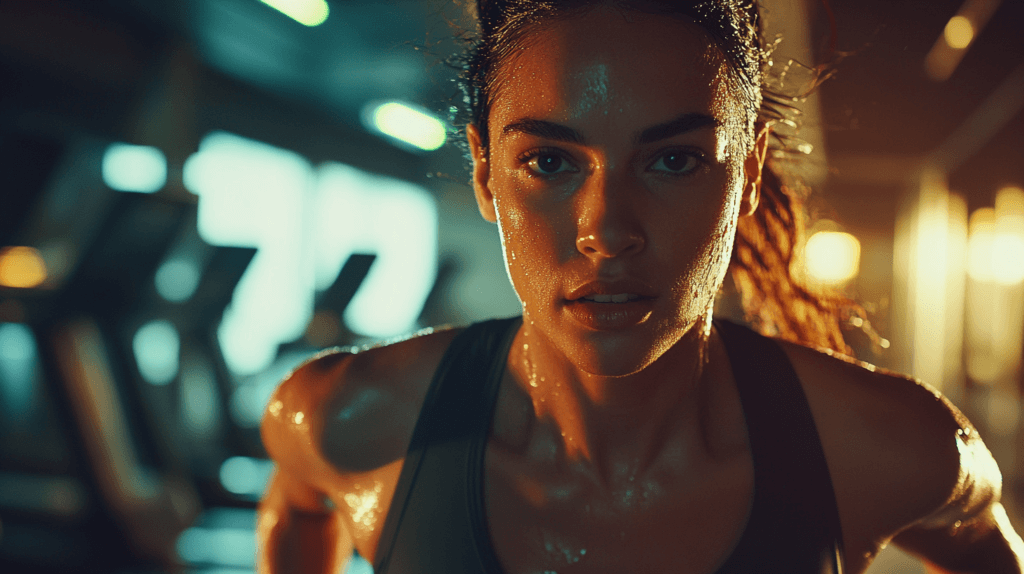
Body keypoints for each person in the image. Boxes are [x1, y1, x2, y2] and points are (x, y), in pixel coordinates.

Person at [256, 1, 1024, 573]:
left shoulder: (891, 448)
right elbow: (296, 508)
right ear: (485, 174)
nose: (607, 230)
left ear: (748, 172)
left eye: (674, 161)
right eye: (549, 162)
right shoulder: (346, 419)